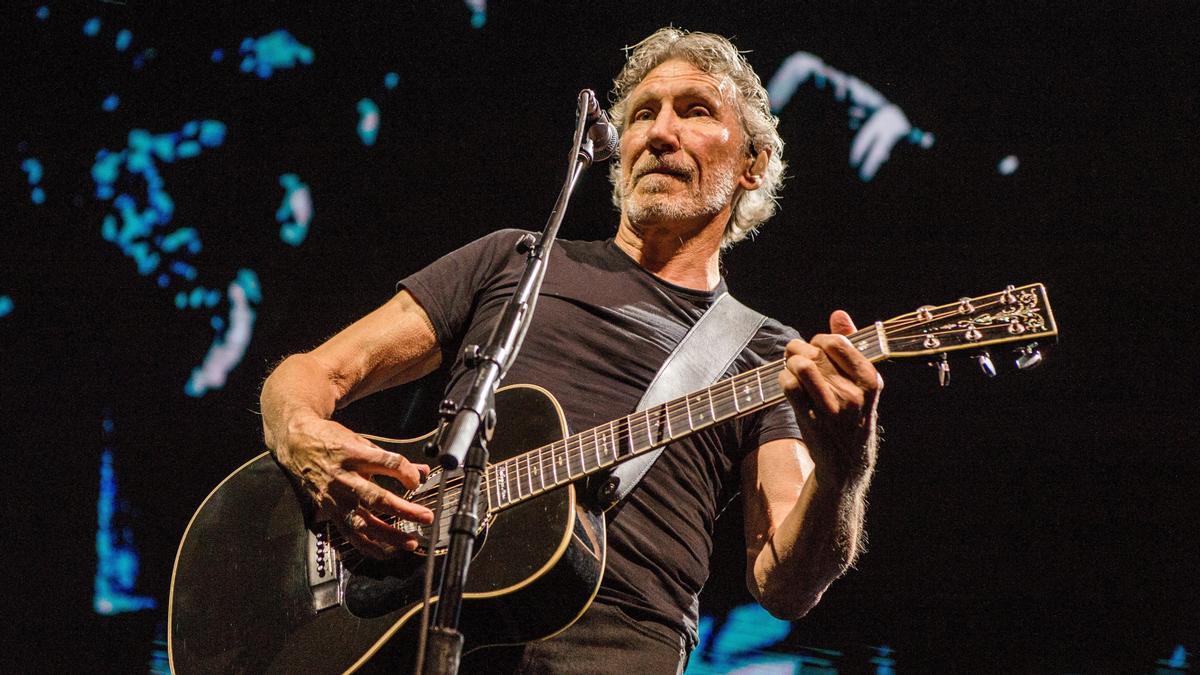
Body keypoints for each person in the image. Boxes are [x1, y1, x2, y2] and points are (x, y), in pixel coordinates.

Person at [260, 27, 881, 674]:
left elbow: (785, 585)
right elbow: (309, 375)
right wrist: (303, 437)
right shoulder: (514, 260)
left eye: (695, 110)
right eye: (643, 113)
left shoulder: (768, 352)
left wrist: (845, 467)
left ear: (754, 162)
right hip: (415, 634)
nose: (659, 133)